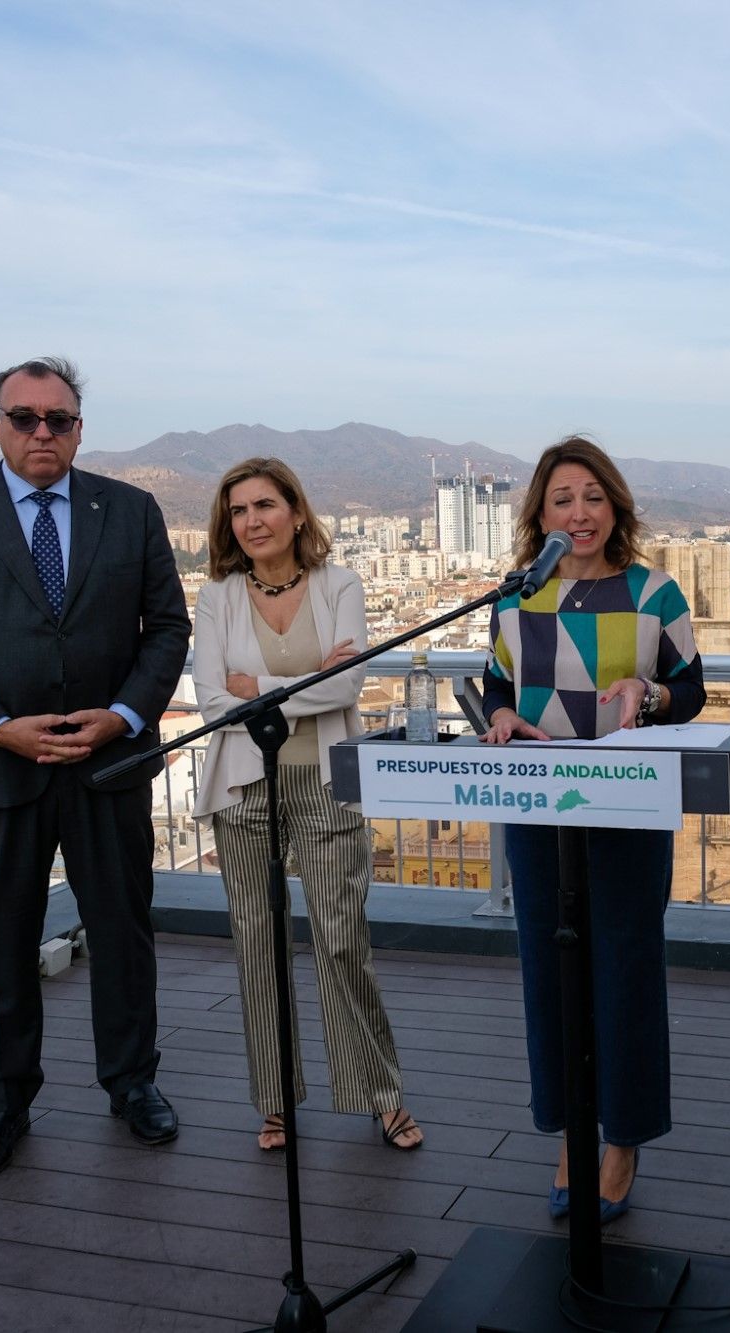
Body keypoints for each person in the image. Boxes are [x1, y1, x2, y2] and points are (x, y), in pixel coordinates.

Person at [0, 357, 190, 1180]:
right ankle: (2, 1103)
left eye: (58, 419)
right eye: (23, 417)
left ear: (80, 428)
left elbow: (167, 629)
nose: (41, 432)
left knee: (124, 937)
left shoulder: (130, 511)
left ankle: (133, 1084)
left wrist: (124, 716)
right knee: (0, 945)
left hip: (108, 766)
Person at [479, 436, 705, 1223]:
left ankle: (623, 1139)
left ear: (616, 506)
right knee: (549, 968)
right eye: (561, 499)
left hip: (626, 805)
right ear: (539, 515)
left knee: (626, 967)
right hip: (538, 811)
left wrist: (649, 693)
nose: (578, 513)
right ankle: (573, 1129)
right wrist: (500, 712)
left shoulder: (655, 592)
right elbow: (494, 686)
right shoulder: (513, 598)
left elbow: (692, 688)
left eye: (592, 497)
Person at [190, 457, 423, 1154]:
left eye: (265, 504)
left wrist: (254, 684)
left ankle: (379, 1094)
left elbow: (346, 688)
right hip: (245, 789)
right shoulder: (217, 596)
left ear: (296, 511)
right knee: (257, 945)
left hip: (323, 782)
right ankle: (275, 1102)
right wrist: (300, 682)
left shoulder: (340, 584)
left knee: (342, 939)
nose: (253, 520)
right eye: (239, 510)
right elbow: (210, 702)